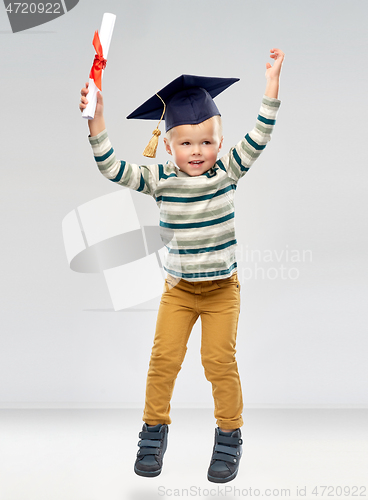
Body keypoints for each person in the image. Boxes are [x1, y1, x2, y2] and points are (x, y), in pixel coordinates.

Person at [79, 48, 284, 483]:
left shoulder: (227, 172)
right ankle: (153, 432)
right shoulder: (161, 182)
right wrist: (97, 119)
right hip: (179, 291)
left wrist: (270, 86)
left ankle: (229, 436)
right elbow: (112, 168)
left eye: (207, 141)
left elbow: (260, 135)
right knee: (163, 360)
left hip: (221, 292)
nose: (197, 151)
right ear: (167, 144)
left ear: (220, 143)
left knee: (218, 361)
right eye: (186, 143)